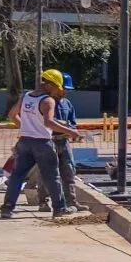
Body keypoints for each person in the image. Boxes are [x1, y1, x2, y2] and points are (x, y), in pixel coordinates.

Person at [1, 70, 81, 218]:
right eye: (57, 87)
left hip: (24, 141)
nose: (58, 90)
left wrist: (25, 127)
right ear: (50, 84)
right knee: (52, 176)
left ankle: (7, 208)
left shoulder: (25, 96)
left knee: (17, 175)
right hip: (42, 143)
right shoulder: (48, 101)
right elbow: (49, 122)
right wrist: (71, 132)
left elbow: (12, 114)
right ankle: (59, 208)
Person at [48, 72, 80, 211]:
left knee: (69, 170)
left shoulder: (67, 104)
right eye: (63, 88)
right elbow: (48, 121)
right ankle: (43, 202)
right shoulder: (47, 102)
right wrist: (63, 125)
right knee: (48, 172)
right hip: (49, 141)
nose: (65, 91)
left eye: (67, 89)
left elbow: (72, 122)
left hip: (64, 141)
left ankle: (71, 201)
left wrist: (71, 129)